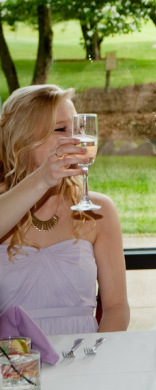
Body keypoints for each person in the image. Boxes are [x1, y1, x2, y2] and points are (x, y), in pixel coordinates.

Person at [0, 85, 130, 335]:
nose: (77, 139)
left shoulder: (99, 211)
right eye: (61, 129)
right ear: (23, 138)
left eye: (79, 129)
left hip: (83, 356)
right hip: (14, 363)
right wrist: (41, 180)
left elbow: (116, 307)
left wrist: (97, 359)